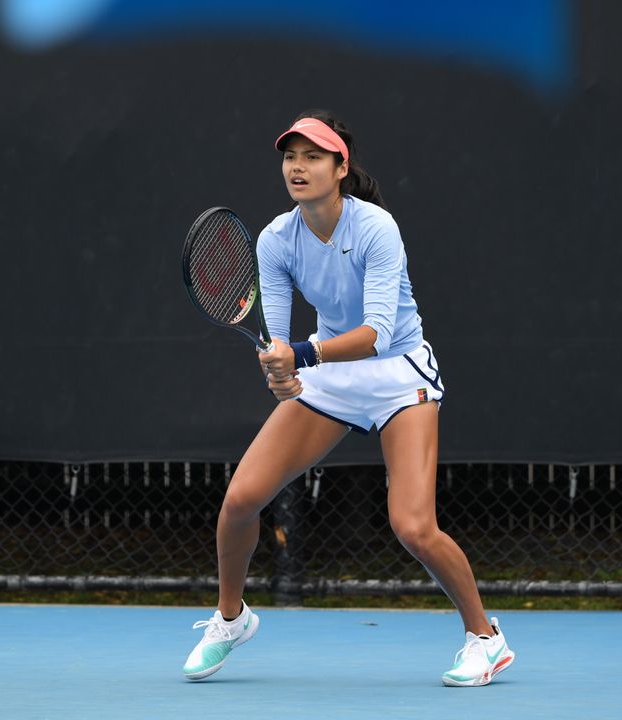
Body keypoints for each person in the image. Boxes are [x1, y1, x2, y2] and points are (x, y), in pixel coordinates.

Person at [182, 111, 514, 687]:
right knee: (240, 500)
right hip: (332, 373)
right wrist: (281, 374)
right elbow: (281, 342)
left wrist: (302, 359)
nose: (298, 167)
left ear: (341, 168)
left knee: (412, 525)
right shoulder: (274, 240)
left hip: (395, 371)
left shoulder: (376, 228)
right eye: (290, 157)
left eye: (313, 157)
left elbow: (378, 333)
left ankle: (485, 638)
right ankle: (231, 618)